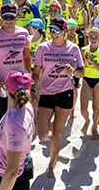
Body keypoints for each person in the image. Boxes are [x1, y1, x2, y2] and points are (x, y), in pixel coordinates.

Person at [31, 17, 84, 178]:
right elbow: (35, 72)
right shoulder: (42, 47)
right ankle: (55, 145)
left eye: (56, 30)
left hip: (65, 93)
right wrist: (33, 91)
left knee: (58, 134)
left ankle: (51, 164)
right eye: (50, 29)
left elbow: (82, 73)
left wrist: (73, 71)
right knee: (41, 135)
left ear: (65, 31)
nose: (53, 33)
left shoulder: (73, 48)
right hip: (46, 93)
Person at [0, 4, 31, 125]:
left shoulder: (24, 33)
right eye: (5, 17)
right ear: (0, 18)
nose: (8, 20)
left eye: (11, 17)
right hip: (1, 87)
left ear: (16, 17)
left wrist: (28, 78)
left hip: (20, 85)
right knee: (1, 123)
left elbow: (26, 57)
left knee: (20, 121)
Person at [0, 67, 35, 190]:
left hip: (10, 179)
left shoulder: (14, 122)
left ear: (6, 87)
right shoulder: (28, 107)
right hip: (16, 173)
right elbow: (31, 132)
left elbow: (12, 171)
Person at [80, 27, 99, 140]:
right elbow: (80, 67)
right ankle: (87, 121)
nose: (93, 38)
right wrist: (85, 61)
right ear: (87, 37)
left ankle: (95, 128)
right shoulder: (83, 50)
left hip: (98, 81)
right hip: (86, 80)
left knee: (95, 107)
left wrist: (91, 61)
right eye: (91, 36)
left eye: (96, 36)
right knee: (83, 109)